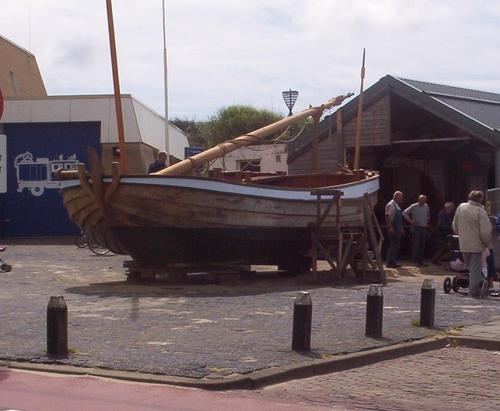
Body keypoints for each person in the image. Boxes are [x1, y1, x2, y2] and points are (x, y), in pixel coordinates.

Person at [452, 190, 492, 299]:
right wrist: (487, 243)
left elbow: (455, 224)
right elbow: (485, 231)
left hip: (463, 243)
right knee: (475, 267)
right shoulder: (480, 211)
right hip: (477, 244)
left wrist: (458, 233)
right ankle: (474, 291)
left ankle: (478, 283)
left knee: (469, 265)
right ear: (480, 199)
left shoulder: (461, 207)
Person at [403, 195, 430, 266]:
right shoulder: (413, 206)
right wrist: (410, 221)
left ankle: (421, 261)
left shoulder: (426, 206)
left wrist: (427, 221)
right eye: (421, 200)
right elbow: (405, 213)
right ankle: (415, 261)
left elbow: (428, 214)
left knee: (422, 245)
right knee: (416, 245)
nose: (422, 201)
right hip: (416, 227)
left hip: (423, 227)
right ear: (418, 200)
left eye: (424, 200)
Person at [385, 191, 404, 268]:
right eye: (400, 197)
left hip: (398, 227)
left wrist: (401, 228)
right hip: (393, 227)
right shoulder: (391, 205)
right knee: (393, 245)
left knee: (396, 245)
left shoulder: (397, 206)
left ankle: (393, 261)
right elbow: (387, 216)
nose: (401, 199)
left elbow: (400, 219)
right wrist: (390, 227)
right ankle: (389, 262)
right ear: (396, 197)